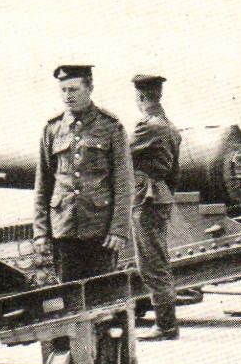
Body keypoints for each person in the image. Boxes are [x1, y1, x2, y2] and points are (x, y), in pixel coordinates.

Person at [33, 64, 133, 283]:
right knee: (70, 297)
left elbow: (124, 182)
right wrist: (40, 232)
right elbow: (43, 185)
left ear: (89, 88)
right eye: (63, 90)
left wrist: (119, 230)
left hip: (100, 229)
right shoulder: (52, 129)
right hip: (64, 228)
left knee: (104, 297)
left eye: (73, 89)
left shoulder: (110, 126)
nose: (67, 96)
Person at [129, 74, 183, 340]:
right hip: (160, 195)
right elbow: (174, 172)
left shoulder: (147, 126)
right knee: (157, 260)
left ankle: (166, 325)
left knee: (152, 264)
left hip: (146, 199)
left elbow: (119, 155)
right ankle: (166, 322)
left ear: (140, 97)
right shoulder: (169, 126)